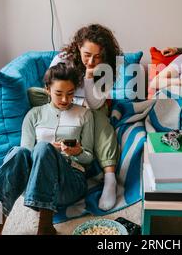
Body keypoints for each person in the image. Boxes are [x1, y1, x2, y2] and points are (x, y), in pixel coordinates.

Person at [0, 63, 94, 235]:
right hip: (35, 186)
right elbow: (25, 157)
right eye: (59, 93)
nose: (65, 99)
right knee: (19, 152)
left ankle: (44, 227)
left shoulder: (84, 114)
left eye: (70, 94)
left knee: (42, 147)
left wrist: (76, 152)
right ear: (47, 89)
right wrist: (48, 150)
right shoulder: (34, 114)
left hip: (70, 183)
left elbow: (89, 158)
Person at [31, 23, 122, 211]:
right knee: (34, 94)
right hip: (63, 101)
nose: (91, 61)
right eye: (87, 55)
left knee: (99, 118)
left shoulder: (106, 67)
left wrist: (89, 77)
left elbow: (96, 104)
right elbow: (52, 86)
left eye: (97, 57)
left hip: (90, 105)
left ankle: (110, 179)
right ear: (78, 47)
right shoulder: (62, 59)